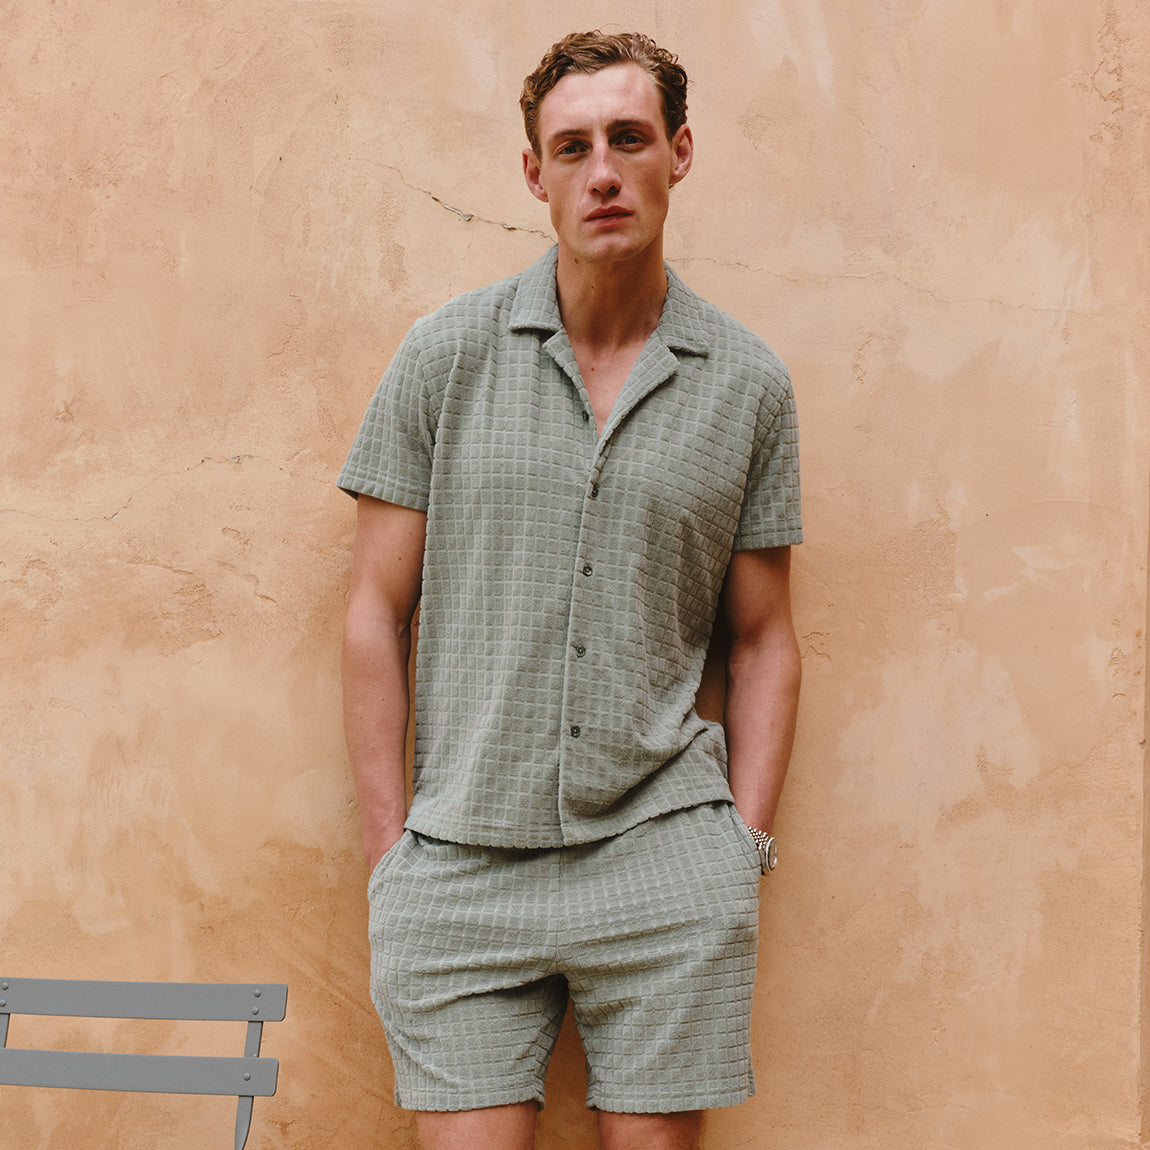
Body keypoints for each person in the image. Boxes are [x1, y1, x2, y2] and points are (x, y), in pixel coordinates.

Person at [339, 30, 802, 1150]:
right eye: (572, 147)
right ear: (532, 172)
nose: (602, 172)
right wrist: (391, 854)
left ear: (678, 152)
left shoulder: (748, 384)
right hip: (461, 863)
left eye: (629, 139)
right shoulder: (443, 357)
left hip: (662, 862)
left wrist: (738, 849)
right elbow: (373, 614)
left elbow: (762, 640)